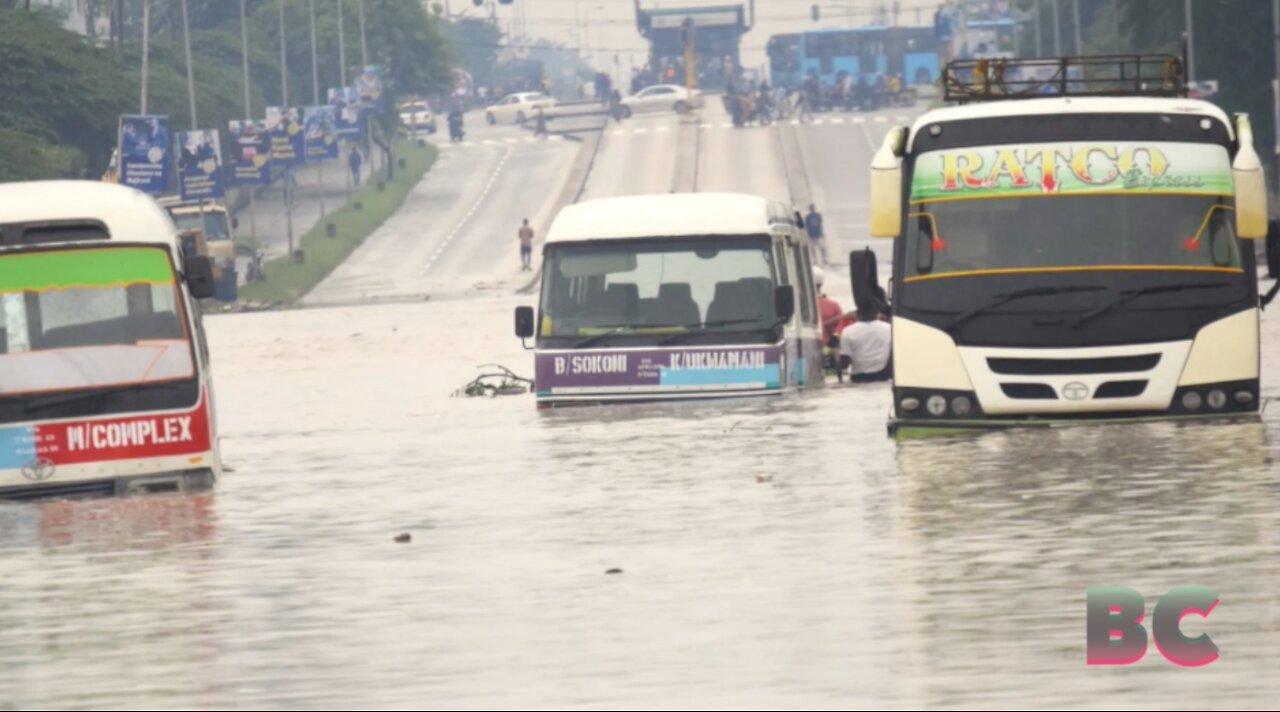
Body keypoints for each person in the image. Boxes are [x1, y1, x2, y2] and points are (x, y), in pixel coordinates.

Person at [838, 308, 892, 382]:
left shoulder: (847, 331)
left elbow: (845, 363)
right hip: (883, 375)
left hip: (858, 377)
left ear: (857, 314)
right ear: (878, 314)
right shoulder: (889, 328)